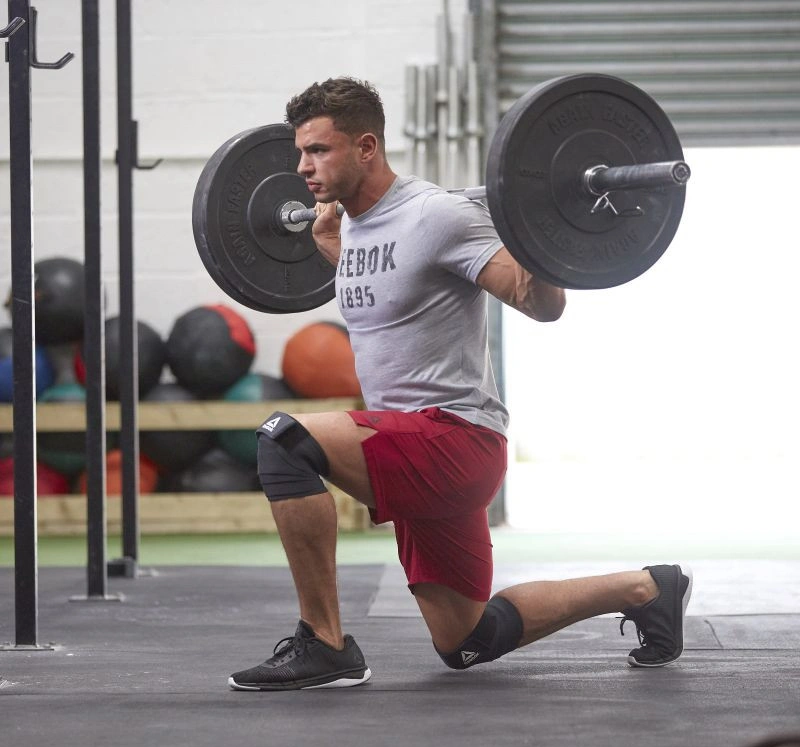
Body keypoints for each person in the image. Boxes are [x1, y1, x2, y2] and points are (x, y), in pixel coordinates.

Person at [227, 77, 692, 691]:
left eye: (318, 150)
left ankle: (325, 643)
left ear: (366, 147)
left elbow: (540, 304)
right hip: (414, 448)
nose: (302, 168)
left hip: (454, 439)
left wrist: (541, 227)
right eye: (299, 153)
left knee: (283, 440)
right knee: (467, 640)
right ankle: (647, 588)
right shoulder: (351, 225)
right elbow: (397, 295)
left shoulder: (438, 215)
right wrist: (335, 250)